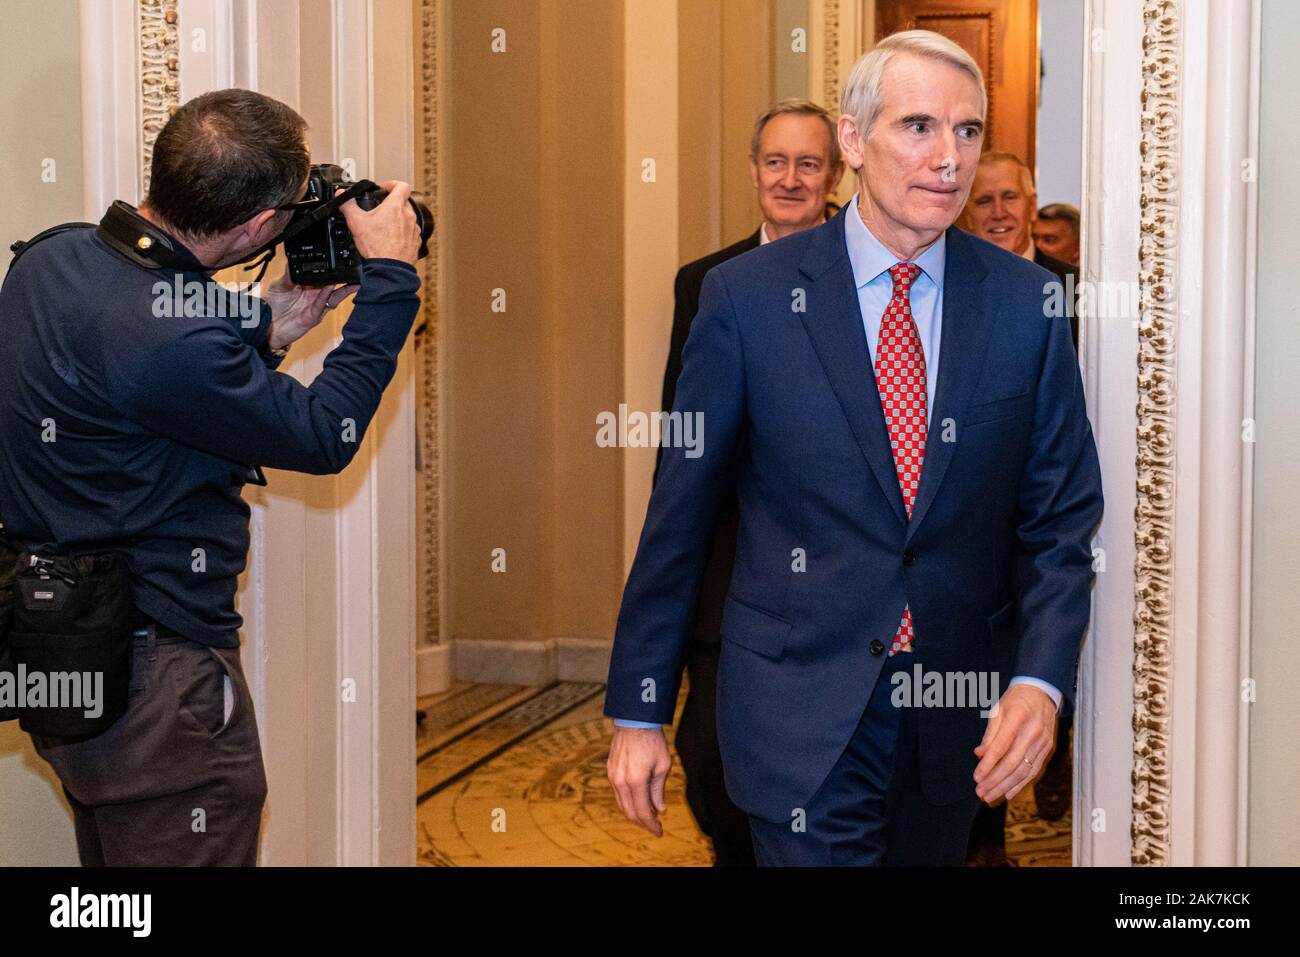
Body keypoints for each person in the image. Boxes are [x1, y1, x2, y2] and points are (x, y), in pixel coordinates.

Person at [604, 30, 1103, 865]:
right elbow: (680, 516)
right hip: (796, 711)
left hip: (955, 723)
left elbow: (1058, 521)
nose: (949, 158)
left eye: (968, 131)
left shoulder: (1027, 304)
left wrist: (1041, 679)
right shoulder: (746, 299)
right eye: (918, 127)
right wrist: (640, 707)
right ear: (851, 140)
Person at [0, 88, 423, 866]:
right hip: (159, 688)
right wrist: (392, 283)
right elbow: (324, 436)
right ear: (260, 226)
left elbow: (138, 389)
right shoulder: (176, 343)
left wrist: (267, 324)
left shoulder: (50, 260)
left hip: (61, 650)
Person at [641, 98, 844, 867]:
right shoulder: (705, 282)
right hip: (730, 560)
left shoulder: (873, 276)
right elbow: (681, 437)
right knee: (710, 751)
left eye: (808, 163)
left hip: (835, 563)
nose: (789, 179)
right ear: (753, 168)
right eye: (775, 161)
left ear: (834, 173)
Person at [961, 152, 1080, 347]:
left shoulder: (1075, 287)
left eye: (1010, 197)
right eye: (984, 201)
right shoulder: (948, 286)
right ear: (968, 215)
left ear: (1032, 206)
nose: (998, 213)